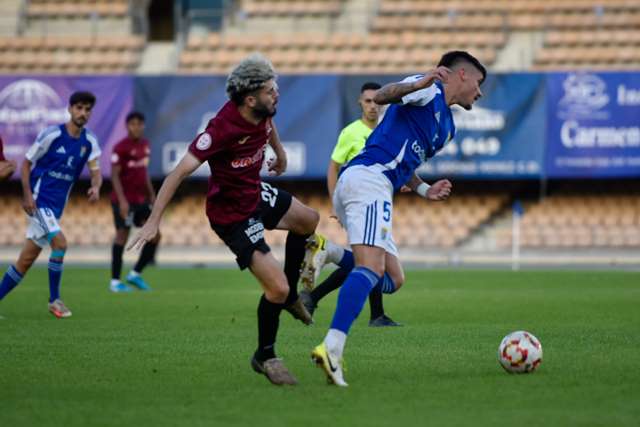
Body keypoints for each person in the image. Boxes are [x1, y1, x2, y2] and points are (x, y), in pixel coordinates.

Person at [128, 54, 316, 386]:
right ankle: (265, 355)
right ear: (250, 98)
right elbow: (178, 173)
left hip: (255, 193)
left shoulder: (263, 110)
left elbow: (269, 126)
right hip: (232, 214)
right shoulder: (220, 129)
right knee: (275, 287)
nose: (277, 94)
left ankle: (290, 299)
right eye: (271, 90)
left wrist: (281, 154)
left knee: (308, 221)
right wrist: (154, 221)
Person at [311, 51, 486, 386]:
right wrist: (416, 83)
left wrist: (423, 190)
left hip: (367, 183)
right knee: (370, 269)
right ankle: (332, 347)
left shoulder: (447, 129)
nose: (480, 92)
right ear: (461, 75)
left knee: (392, 279)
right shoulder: (428, 88)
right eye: (478, 83)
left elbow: (406, 161)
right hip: (369, 180)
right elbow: (381, 96)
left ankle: (329, 253)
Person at [300, 82, 401, 327]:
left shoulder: (388, 131)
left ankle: (313, 296)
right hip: (359, 202)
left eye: (378, 101)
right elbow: (333, 166)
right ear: (360, 103)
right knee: (373, 258)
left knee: (365, 260)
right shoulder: (351, 132)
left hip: (378, 200)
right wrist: (336, 201)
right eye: (368, 101)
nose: (373, 106)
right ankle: (376, 315)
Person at [0, 91, 102, 318]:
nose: (82, 113)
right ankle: (54, 300)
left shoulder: (90, 142)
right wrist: (27, 195)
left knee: (24, 262)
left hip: (56, 209)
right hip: (38, 201)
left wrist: (96, 187)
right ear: (70, 109)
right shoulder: (52, 134)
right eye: (78, 108)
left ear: (90, 113)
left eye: (87, 109)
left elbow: (96, 172)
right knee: (60, 243)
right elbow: (26, 163)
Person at [109, 111, 158, 293]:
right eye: (133, 124)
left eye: (139, 124)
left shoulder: (145, 145)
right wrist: (122, 202)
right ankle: (115, 282)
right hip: (124, 201)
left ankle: (135, 274)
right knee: (122, 236)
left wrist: (152, 195)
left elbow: (143, 173)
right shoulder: (120, 147)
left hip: (141, 200)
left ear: (143, 126)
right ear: (127, 126)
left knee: (155, 235)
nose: (136, 127)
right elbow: (114, 176)